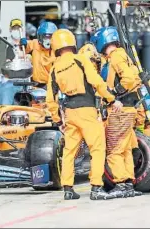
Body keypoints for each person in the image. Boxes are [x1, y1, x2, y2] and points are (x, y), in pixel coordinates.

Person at [46, 29, 123, 200]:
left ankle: (68, 189)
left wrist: (58, 120)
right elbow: (96, 82)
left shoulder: (54, 68)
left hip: (69, 113)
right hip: (87, 111)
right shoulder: (80, 60)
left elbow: (50, 100)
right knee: (97, 148)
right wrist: (111, 99)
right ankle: (96, 188)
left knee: (69, 152)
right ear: (73, 43)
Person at [92, 26, 142, 197]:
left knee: (114, 149)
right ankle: (128, 184)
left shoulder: (116, 57)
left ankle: (120, 184)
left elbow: (128, 78)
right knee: (126, 149)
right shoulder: (123, 55)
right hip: (130, 107)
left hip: (121, 108)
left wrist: (113, 94)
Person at [20, 21, 58, 89]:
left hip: (51, 86)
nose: (48, 40)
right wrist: (24, 44)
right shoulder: (35, 43)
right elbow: (25, 48)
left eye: (50, 37)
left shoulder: (57, 50)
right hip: (35, 85)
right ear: (40, 37)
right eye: (45, 37)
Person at [0, 18, 27, 105]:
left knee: (22, 110)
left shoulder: (26, 44)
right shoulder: (5, 43)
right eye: (14, 28)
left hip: (23, 83)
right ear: (10, 30)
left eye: (18, 28)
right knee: (6, 109)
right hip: (8, 82)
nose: (16, 30)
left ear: (22, 29)